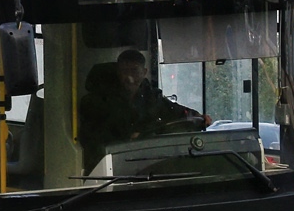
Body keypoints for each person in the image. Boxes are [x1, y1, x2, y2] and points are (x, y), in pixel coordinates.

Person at [78, 49, 207, 172]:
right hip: (109, 167)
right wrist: (127, 138)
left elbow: (174, 111)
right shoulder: (97, 101)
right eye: (124, 71)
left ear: (144, 72)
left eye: (134, 71)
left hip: (145, 164)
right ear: (118, 72)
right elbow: (90, 139)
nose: (129, 77)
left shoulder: (151, 97)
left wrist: (197, 117)